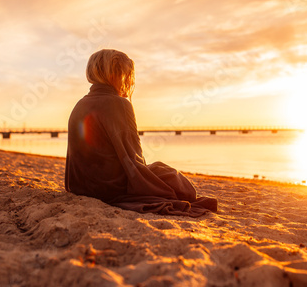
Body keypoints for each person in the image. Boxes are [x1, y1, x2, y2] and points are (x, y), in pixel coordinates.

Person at [65, 49, 217, 217]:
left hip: (79, 186)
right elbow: (134, 159)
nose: (127, 82)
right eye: (125, 76)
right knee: (172, 178)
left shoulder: (80, 104)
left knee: (161, 174)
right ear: (116, 74)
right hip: (108, 189)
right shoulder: (119, 104)